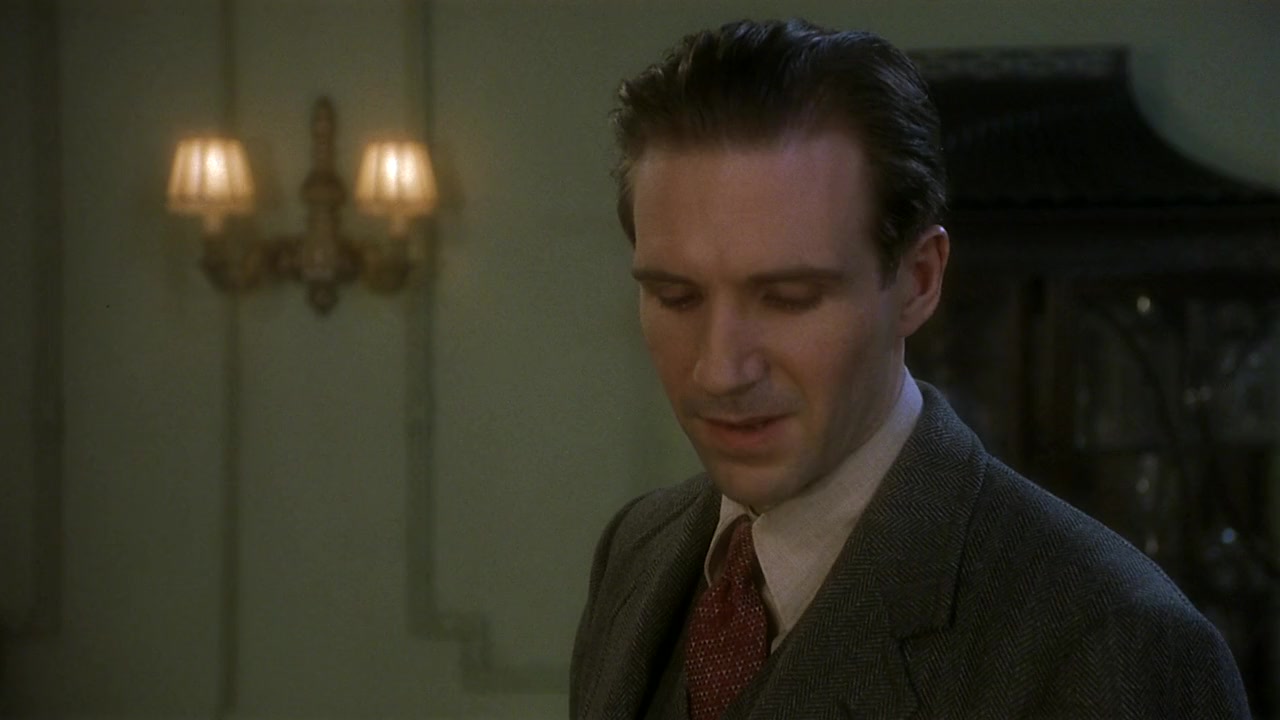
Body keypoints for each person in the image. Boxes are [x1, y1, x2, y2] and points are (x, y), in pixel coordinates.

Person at [570, 18, 1250, 720]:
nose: (719, 371)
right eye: (676, 297)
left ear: (919, 281)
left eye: (789, 297)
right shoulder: (637, 547)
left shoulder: (1118, 643)